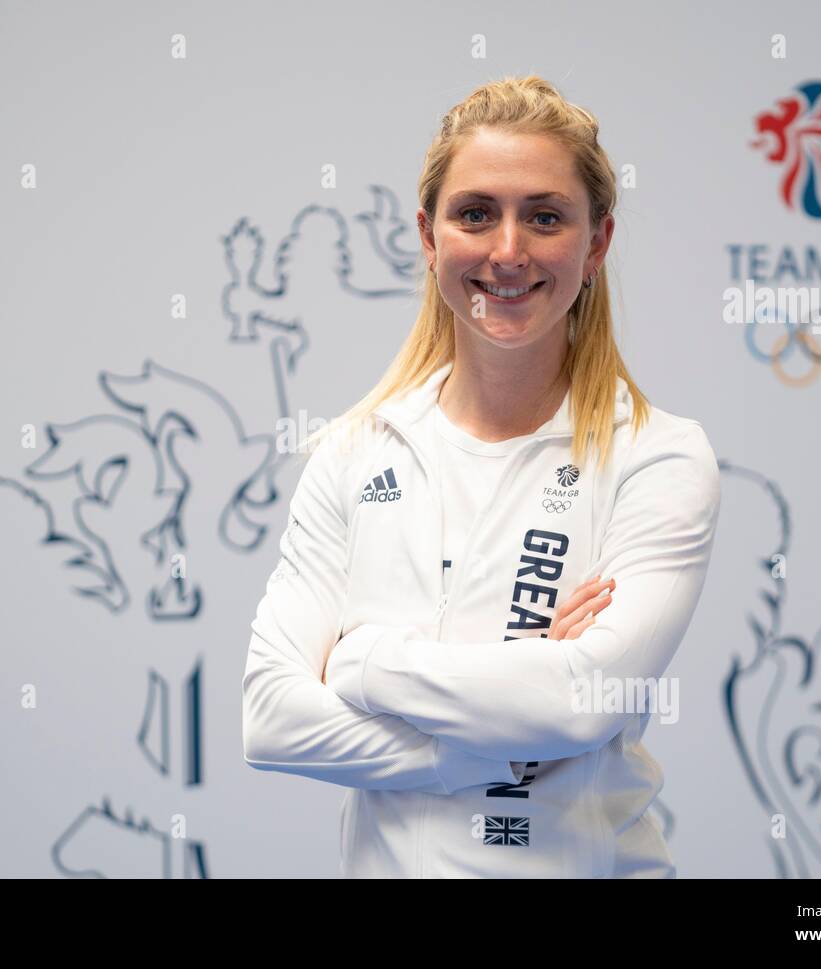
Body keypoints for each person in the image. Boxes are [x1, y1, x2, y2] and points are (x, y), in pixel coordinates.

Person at [241, 75, 721, 877]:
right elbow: (272, 719)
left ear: (595, 242)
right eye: (475, 214)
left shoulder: (659, 457)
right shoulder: (354, 452)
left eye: (544, 216)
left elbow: (583, 700)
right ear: (429, 238)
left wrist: (362, 665)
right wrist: (488, 739)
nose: (507, 250)